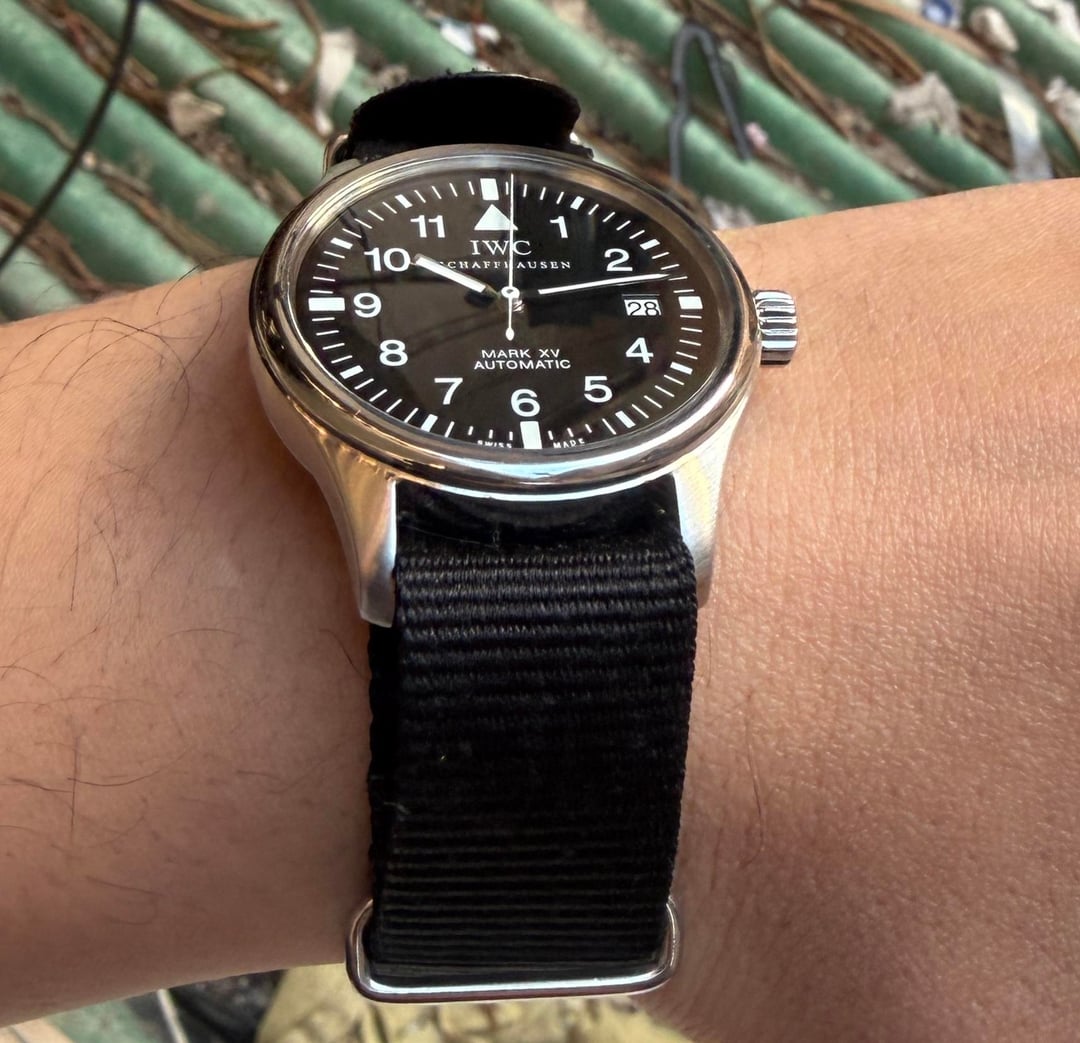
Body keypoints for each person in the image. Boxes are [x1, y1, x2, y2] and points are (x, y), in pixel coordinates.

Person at [0, 179, 1077, 1041]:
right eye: (489, 300)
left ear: (759, 329)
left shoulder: (671, 503)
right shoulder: (399, 533)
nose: (512, 312)